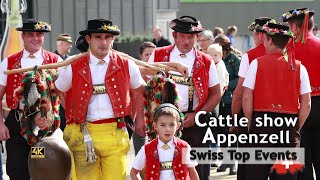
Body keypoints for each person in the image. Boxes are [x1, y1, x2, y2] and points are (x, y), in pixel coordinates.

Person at [53, 19, 146, 180]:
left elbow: (140, 92)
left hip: (115, 134)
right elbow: (56, 91)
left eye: (107, 37)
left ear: (113, 39)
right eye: (98, 37)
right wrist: (71, 113)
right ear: (88, 39)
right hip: (81, 135)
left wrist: (139, 121)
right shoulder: (73, 65)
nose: (103, 42)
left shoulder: (127, 64)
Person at [149, 15, 221, 180]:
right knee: (165, 170)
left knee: (199, 169)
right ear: (174, 36)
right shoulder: (158, 55)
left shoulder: (206, 60)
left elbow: (216, 94)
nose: (186, 41)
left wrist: (197, 115)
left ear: (196, 37)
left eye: (190, 37)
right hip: (163, 123)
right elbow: (145, 86)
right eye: (182, 36)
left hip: (194, 122)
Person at [243, 22, 311, 180]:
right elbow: (307, 103)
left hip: (261, 122)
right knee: (286, 175)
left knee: (256, 174)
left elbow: (246, 96)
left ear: (268, 40)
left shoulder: (257, 63)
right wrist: (296, 127)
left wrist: (249, 121)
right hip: (288, 124)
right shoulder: (300, 67)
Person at [0, 19, 62, 180]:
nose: (35, 38)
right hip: (16, 123)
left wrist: (52, 118)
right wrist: (0, 123)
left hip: (44, 126)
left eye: (39, 34)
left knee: (44, 168)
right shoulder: (8, 62)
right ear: (23, 36)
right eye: (30, 35)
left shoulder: (56, 61)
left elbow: (64, 95)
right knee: (17, 170)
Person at [231, 17, 275, 180]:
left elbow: (240, 93)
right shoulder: (287, 55)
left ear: (261, 35)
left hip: (253, 116)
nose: (254, 38)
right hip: (282, 117)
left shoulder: (249, 56)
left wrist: (235, 120)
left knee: (248, 165)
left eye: (255, 34)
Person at [281, 8, 320, 180]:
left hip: (297, 107)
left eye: (290, 27)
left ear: (295, 28)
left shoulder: (288, 49)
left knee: (303, 161)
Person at [131, 103, 199, 180]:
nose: (167, 129)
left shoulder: (184, 147)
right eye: (162, 125)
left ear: (178, 126)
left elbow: (192, 171)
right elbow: (133, 172)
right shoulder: (146, 149)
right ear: (155, 126)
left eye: (172, 125)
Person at [213, 34, 241, 175]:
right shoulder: (215, 61)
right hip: (219, 103)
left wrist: (224, 84)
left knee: (232, 133)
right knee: (221, 133)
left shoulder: (234, 60)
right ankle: (225, 161)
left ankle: (232, 164)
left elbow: (240, 80)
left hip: (231, 101)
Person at [55, 33, 73, 131]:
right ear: (61, 44)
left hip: (69, 100)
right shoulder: (52, 60)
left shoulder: (69, 59)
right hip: (58, 103)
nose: (71, 46)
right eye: (68, 43)